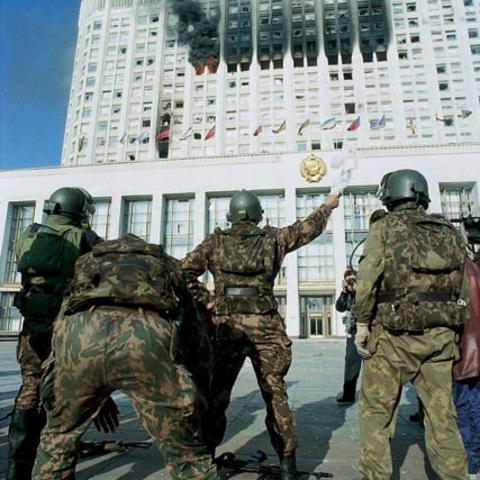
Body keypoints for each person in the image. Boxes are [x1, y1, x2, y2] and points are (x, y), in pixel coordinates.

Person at [181, 189, 341, 480]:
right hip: (266, 328)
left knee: (216, 396)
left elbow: (183, 272)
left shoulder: (214, 243)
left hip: (226, 327)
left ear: (230, 216)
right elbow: (306, 229)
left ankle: (205, 459)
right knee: (275, 394)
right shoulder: (273, 239)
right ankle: (287, 466)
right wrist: (326, 207)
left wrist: (206, 299)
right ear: (257, 215)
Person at [32, 233, 217, 480]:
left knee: (58, 438)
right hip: (146, 338)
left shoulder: (87, 261)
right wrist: (198, 391)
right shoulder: (168, 263)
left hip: (81, 334)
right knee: (186, 453)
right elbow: (195, 334)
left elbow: (65, 312)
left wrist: (77, 383)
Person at [352, 169, 470, 480]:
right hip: (440, 339)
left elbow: (367, 282)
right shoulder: (449, 231)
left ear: (389, 196)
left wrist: (362, 324)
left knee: (376, 415)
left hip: (392, 339)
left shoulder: (384, 227)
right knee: (443, 418)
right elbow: (463, 289)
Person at [7, 187, 103, 480]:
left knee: (30, 390)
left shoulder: (28, 235)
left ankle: (17, 469)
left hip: (31, 327)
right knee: (65, 396)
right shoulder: (86, 238)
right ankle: (56, 467)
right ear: (80, 211)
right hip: (67, 328)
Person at [453, 253, 480, 480]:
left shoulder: (458, 270)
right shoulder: (475, 268)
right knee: (475, 405)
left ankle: (472, 465)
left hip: (464, 348)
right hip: (476, 346)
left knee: (463, 408)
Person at [335, 268, 362, 404]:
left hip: (369, 331)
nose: (351, 283)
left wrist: (359, 289)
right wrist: (344, 292)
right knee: (351, 364)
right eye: (348, 280)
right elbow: (340, 307)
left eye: (353, 279)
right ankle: (348, 395)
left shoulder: (363, 291)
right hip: (353, 331)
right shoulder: (348, 294)